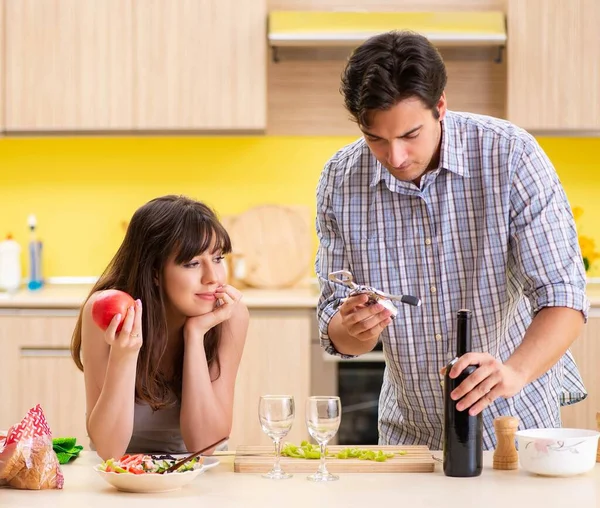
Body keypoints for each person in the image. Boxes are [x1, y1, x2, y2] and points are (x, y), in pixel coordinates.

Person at [315, 31, 589, 450]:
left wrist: (513, 371)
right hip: (408, 436)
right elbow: (338, 329)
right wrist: (355, 327)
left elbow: (564, 296)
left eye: (410, 135)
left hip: (514, 425)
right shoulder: (340, 179)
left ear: (440, 106)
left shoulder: (511, 155)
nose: (396, 158)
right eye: (376, 139)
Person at [71, 195, 248, 460]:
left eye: (218, 258)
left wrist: (195, 335)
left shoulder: (229, 316)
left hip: (197, 473)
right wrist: (125, 355)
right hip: (122, 475)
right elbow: (108, 450)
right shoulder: (109, 311)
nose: (213, 278)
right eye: (192, 263)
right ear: (154, 271)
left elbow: (206, 444)